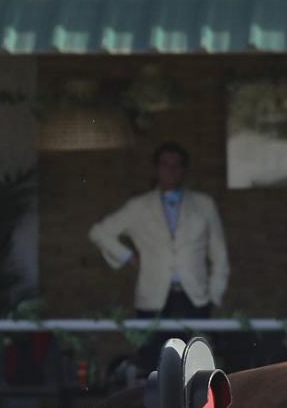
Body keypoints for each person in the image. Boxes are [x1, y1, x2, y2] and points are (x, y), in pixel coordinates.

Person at [89, 142, 229, 366]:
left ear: (184, 169)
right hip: (152, 296)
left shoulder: (204, 204)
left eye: (176, 165)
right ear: (156, 168)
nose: (170, 170)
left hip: (195, 296)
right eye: (165, 164)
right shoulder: (139, 206)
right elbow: (99, 232)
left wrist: (214, 294)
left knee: (195, 363)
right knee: (152, 362)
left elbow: (219, 253)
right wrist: (129, 257)